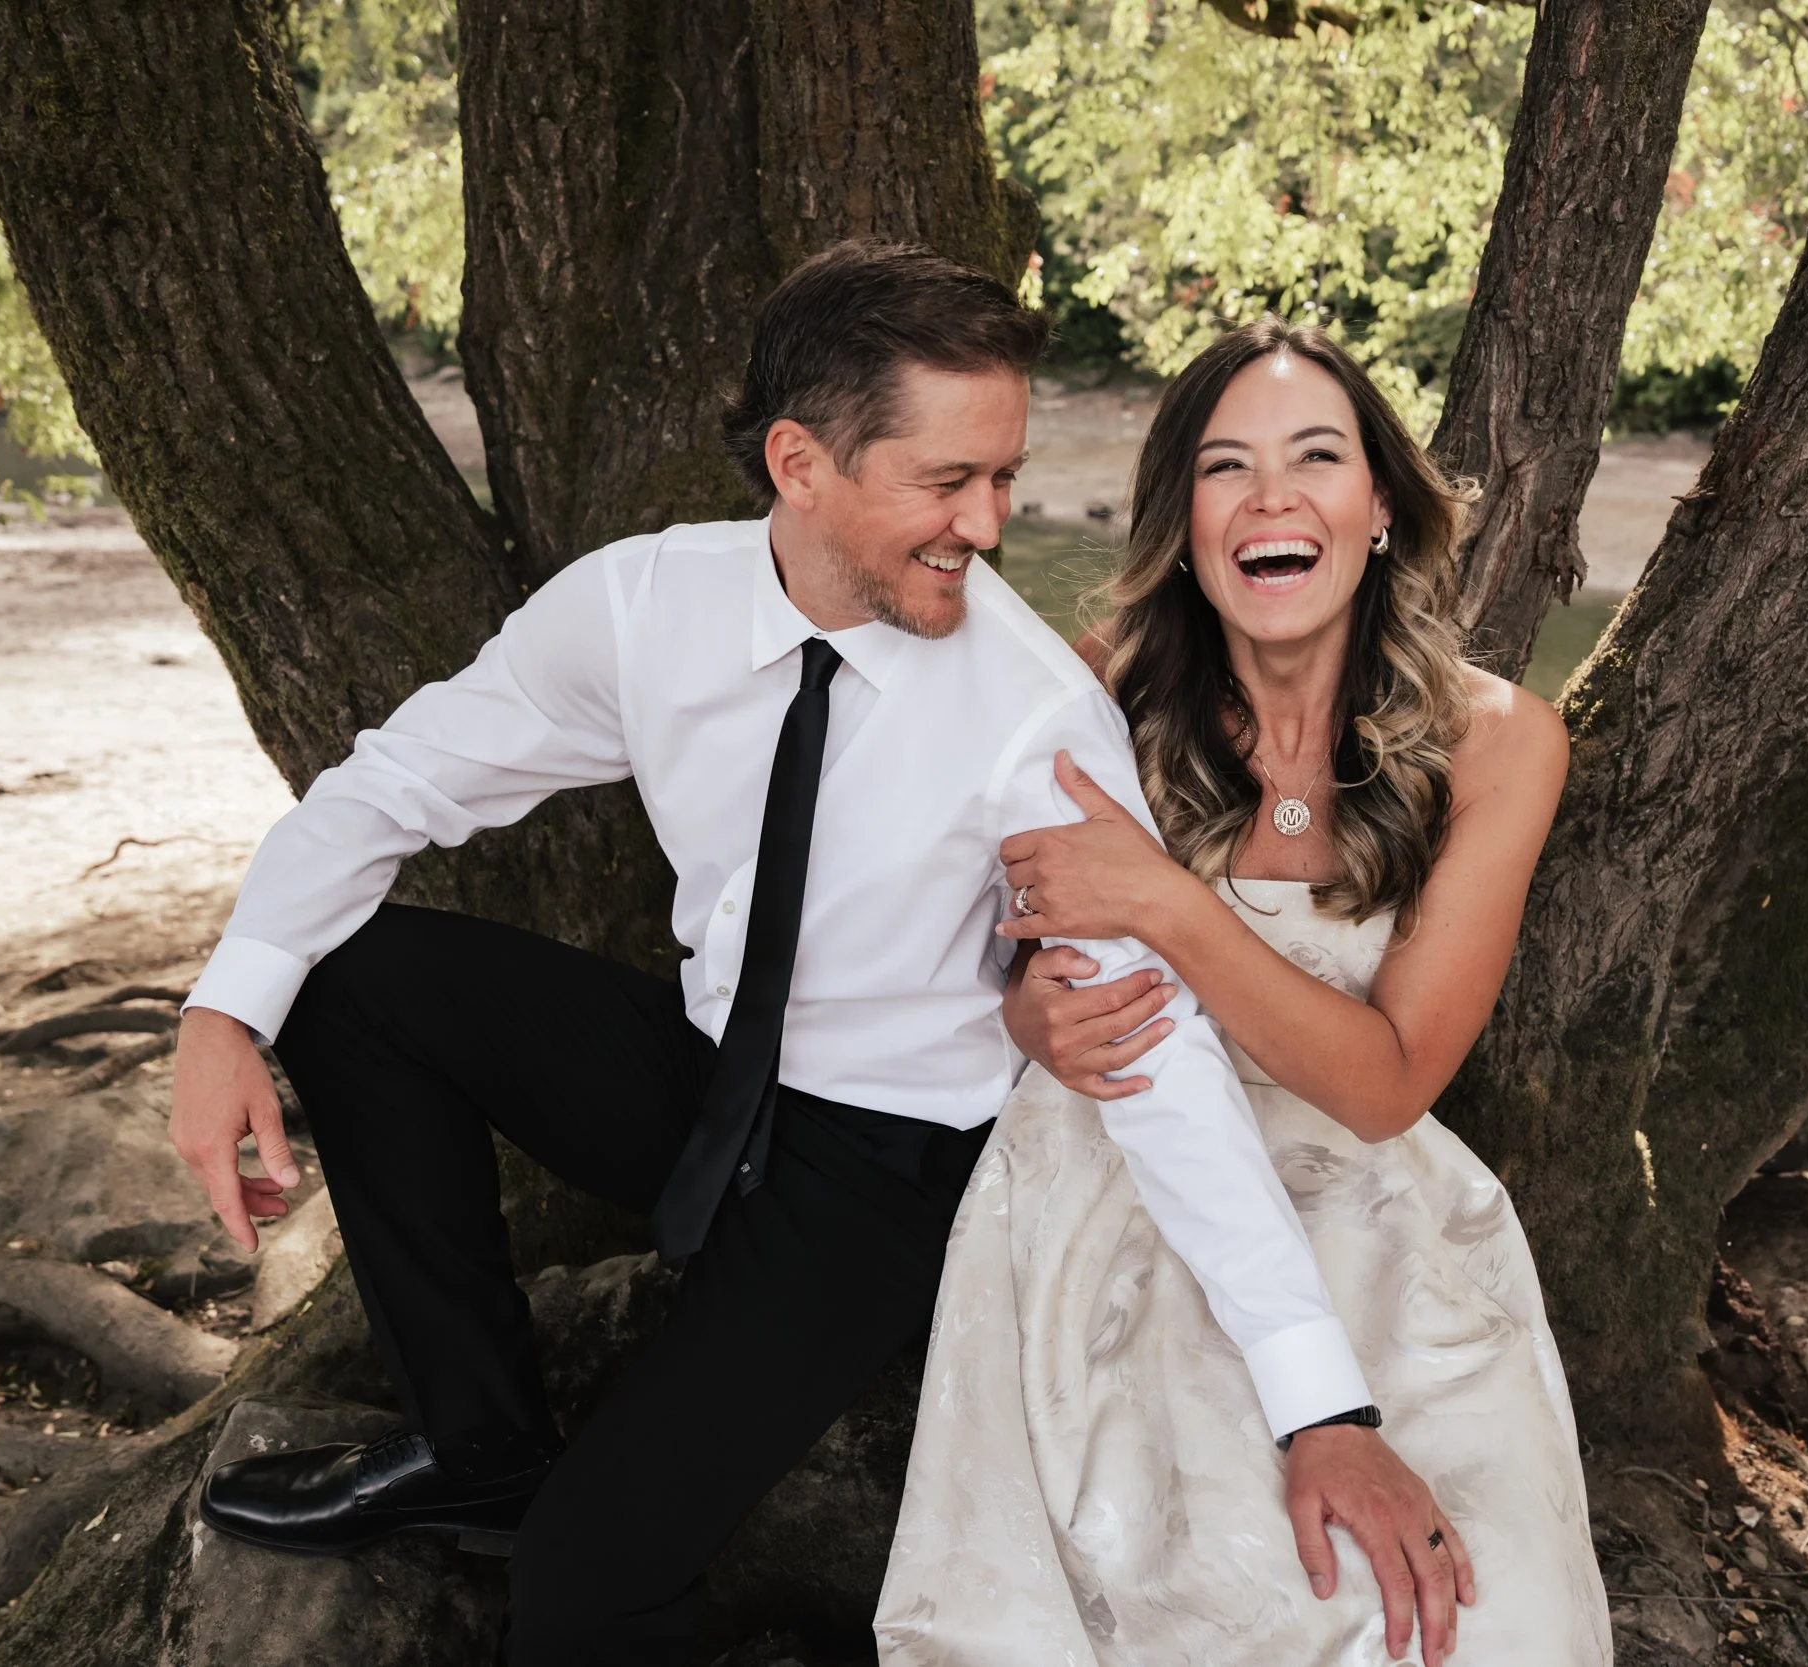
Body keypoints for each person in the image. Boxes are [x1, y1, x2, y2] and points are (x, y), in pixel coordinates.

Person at [167, 243, 1429, 1664]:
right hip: (704, 1081)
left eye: (1004, 478)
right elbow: (399, 783)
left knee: (588, 1580)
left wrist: (1323, 1403)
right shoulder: (641, 610)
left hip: (881, 1169)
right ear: (800, 462)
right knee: (345, 975)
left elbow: (1154, 1047)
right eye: (948, 482)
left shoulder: (1029, 716)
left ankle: (565, 1519)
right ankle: (480, 1441)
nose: (991, 525)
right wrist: (224, 1010)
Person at [874, 320, 1614, 1665]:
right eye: (1227, 467)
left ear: (1378, 506)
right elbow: (981, 952)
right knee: (1230, 1584)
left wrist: (1163, 902)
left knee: (1465, 1622)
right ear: (1187, 519)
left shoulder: (1499, 740)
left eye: (1315, 456)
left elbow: (1389, 1080)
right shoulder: (1092, 694)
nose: (1272, 495)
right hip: (1117, 1193)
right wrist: (1023, 1012)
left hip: (1375, 1203)